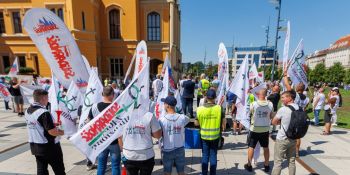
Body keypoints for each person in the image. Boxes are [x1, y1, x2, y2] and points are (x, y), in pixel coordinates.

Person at [24, 89, 65, 175]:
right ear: (43, 98)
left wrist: (52, 124)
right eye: (47, 98)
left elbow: (38, 124)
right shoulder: (44, 112)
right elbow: (52, 132)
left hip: (35, 146)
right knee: (59, 170)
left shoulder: (27, 110)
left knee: (41, 170)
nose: (48, 100)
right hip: (49, 146)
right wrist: (63, 132)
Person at [88, 86, 121, 175]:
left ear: (102, 94)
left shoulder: (94, 107)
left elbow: (89, 123)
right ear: (113, 95)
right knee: (115, 166)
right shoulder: (117, 108)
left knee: (101, 165)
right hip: (114, 141)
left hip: (100, 142)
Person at [118, 110, 162, 175]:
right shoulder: (149, 115)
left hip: (129, 155)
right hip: (146, 155)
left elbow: (119, 137)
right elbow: (158, 135)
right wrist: (149, 132)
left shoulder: (121, 115)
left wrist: (123, 151)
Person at [196, 89, 225, 175]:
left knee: (205, 155)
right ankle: (213, 173)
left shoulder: (200, 109)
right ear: (215, 97)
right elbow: (224, 122)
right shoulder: (219, 108)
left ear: (206, 97)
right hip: (215, 136)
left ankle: (204, 173)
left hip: (204, 136)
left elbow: (196, 123)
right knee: (213, 155)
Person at [244, 88, 274, 172]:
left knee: (251, 147)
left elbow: (249, 113)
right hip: (265, 129)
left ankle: (249, 165)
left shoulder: (254, 104)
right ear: (265, 95)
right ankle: (266, 165)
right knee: (265, 147)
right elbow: (271, 116)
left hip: (255, 129)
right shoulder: (270, 104)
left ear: (258, 95)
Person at [159, 96, 190, 175]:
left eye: (164, 104)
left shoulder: (162, 120)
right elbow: (188, 119)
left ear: (167, 106)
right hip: (180, 148)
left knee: (167, 172)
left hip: (167, 149)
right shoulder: (182, 118)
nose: (163, 105)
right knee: (181, 172)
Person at [271, 91, 298, 175]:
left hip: (282, 138)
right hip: (293, 138)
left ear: (290, 98)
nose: (281, 99)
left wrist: (280, 122)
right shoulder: (299, 108)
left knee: (278, 162)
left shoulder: (283, 109)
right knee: (292, 161)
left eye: (283, 97)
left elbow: (274, 122)